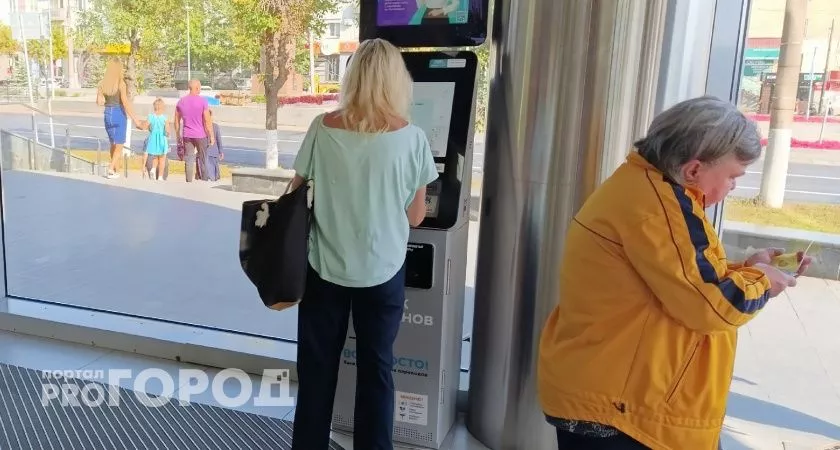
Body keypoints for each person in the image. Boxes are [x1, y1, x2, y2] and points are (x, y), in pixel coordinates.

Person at [537, 96, 813, 450]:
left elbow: (683, 278)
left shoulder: (645, 189)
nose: (733, 186)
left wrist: (748, 268)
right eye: (732, 176)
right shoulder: (660, 208)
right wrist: (762, 280)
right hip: (622, 410)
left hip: (612, 395)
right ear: (694, 170)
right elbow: (712, 307)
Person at [289, 38, 438, 450]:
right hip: (383, 272)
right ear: (396, 81)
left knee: (317, 369)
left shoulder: (322, 127)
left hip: (323, 269)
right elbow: (415, 216)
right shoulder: (413, 138)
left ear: (352, 77)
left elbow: (294, 193)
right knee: (377, 369)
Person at [96, 59, 140, 179]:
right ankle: (111, 169)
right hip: (118, 113)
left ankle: (116, 170)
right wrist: (136, 120)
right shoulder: (121, 83)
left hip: (107, 113)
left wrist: (105, 99)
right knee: (119, 144)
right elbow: (125, 103)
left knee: (113, 144)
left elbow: (99, 102)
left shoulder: (102, 84)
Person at [174, 80, 214, 182]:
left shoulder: (181, 101)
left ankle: (189, 181)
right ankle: (204, 180)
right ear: (197, 88)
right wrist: (212, 136)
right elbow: (207, 120)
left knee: (189, 159)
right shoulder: (202, 101)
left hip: (187, 135)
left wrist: (178, 135)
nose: (200, 89)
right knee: (203, 159)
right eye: (200, 87)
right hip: (201, 135)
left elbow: (176, 121)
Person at [138, 98, 170, 181]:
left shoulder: (151, 117)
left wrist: (139, 125)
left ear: (154, 107)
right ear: (163, 107)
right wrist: (167, 134)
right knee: (162, 159)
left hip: (153, 139)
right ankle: (160, 177)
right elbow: (167, 131)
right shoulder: (165, 118)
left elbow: (144, 126)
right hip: (162, 139)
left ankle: (153, 169)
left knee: (155, 156)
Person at [205, 110, 224, 181]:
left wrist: (221, 151)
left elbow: (218, 139)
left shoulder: (215, 126)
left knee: (211, 174)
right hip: (206, 153)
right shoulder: (201, 126)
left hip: (211, 153)